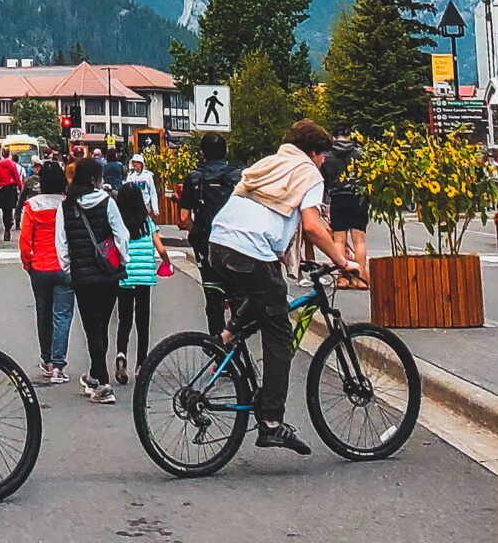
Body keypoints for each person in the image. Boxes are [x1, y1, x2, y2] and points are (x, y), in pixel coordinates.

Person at [206, 119, 362, 456]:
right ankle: (273, 423)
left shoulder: (268, 163)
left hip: (219, 243)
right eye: (323, 156)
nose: (323, 163)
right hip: (250, 250)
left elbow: (277, 212)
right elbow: (311, 224)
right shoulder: (308, 173)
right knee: (279, 333)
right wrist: (342, 260)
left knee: (270, 295)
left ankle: (228, 335)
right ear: (315, 152)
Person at [56, 155, 130, 402]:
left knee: (92, 328)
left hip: (82, 277)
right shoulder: (107, 202)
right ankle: (97, 377)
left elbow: (62, 244)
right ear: (93, 179)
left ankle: (102, 382)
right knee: (102, 325)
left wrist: (69, 269)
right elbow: (122, 235)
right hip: (109, 275)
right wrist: (122, 259)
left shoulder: (66, 206)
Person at [176, 133, 242, 339]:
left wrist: (197, 231)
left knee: (213, 299)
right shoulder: (238, 176)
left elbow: (184, 217)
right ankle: (236, 346)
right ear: (226, 151)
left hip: (207, 245)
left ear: (202, 153)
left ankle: (218, 348)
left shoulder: (195, 177)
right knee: (238, 297)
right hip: (236, 244)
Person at [19, 159, 75, 386]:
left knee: (43, 313)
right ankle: (58, 365)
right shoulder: (67, 204)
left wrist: (28, 264)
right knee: (62, 315)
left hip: (39, 267)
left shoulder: (32, 205)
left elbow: (25, 240)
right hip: (64, 267)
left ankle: (47, 360)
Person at [112, 180, 160, 385]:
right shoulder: (147, 223)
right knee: (143, 320)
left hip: (125, 276)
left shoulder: (118, 222)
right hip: (144, 277)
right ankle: (142, 364)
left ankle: (121, 355)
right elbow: (161, 248)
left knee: (124, 320)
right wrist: (167, 263)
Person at [325, 139, 370, 276]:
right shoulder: (360, 154)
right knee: (359, 241)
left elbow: (325, 180)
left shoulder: (328, 157)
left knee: (339, 240)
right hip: (358, 197)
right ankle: (360, 276)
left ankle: (342, 277)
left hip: (337, 198)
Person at [0, 150, 23, 243]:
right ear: (9, 155)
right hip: (11, 189)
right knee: (10, 209)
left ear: (2, 155)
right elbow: (17, 178)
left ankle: (7, 228)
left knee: (4, 211)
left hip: (1, 190)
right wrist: (21, 190)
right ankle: (9, 225)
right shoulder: (12, 164)